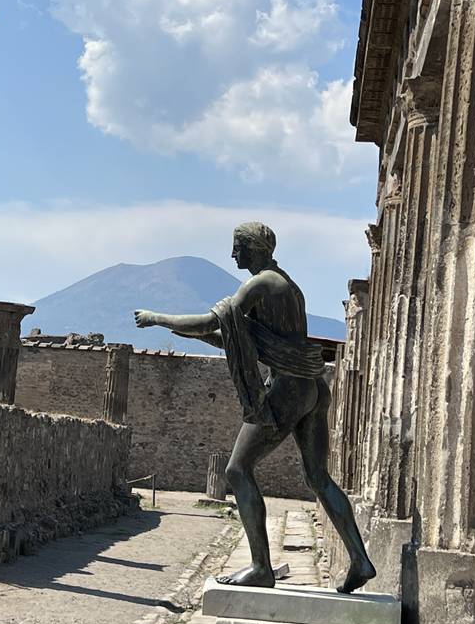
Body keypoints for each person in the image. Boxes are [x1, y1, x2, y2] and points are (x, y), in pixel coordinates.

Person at [134, 221, 376, 593]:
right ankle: (360, 560)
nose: (233, 255)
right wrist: (177, 329)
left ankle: (262, 566)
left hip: (288, 389)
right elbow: (233, 340)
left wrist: (157, 318)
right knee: (318, 478)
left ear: (257, 248)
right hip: (312, 386)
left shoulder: (261, 283)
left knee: (237, 469)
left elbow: (207, 323)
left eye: (239, 247)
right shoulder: (288, 286)